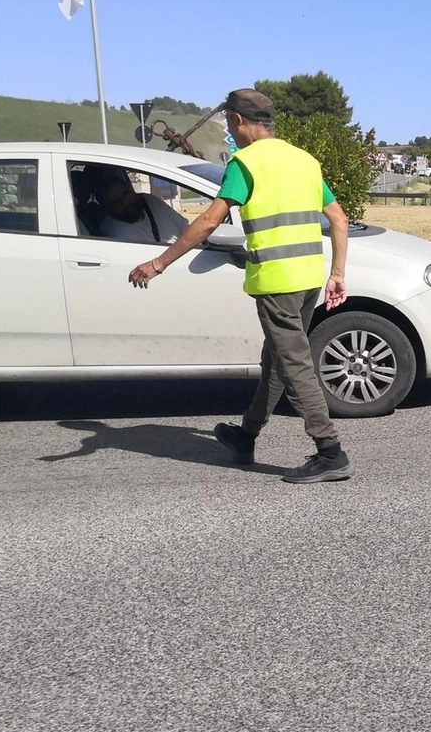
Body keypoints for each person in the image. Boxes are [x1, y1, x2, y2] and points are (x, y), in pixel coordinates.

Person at [126, 88, 356, 483]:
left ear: (236, 121)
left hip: (276, 281)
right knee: (277, 360)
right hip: (308, 277)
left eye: (229, 124)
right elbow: (339, 218)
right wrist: (337, 274)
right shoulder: (304, 160)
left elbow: (208, 221)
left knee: (294, 364)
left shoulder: (244, 164)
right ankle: (246, 435)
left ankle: (330, 451)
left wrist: (158, 263)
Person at [90, 172, 189, 244]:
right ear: (107, 208)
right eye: (116, 202)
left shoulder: (149, 201)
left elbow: (185, 227)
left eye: (125, 195)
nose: (125, 203)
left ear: (131, 190)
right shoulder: (118, 232)